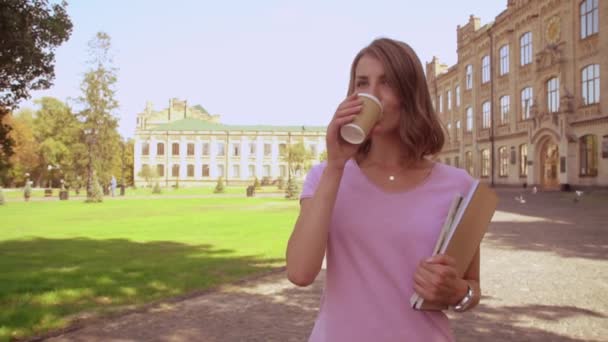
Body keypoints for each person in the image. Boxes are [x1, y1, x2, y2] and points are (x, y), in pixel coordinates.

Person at [286, 38, 481, 341]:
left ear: (410, 93)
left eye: (386, 83)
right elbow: (299, 273)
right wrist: (336, 165)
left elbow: (471, 287)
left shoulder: (459, 185)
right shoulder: (325, 176)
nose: (371, 95)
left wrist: (459, 292)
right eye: (362, 83)